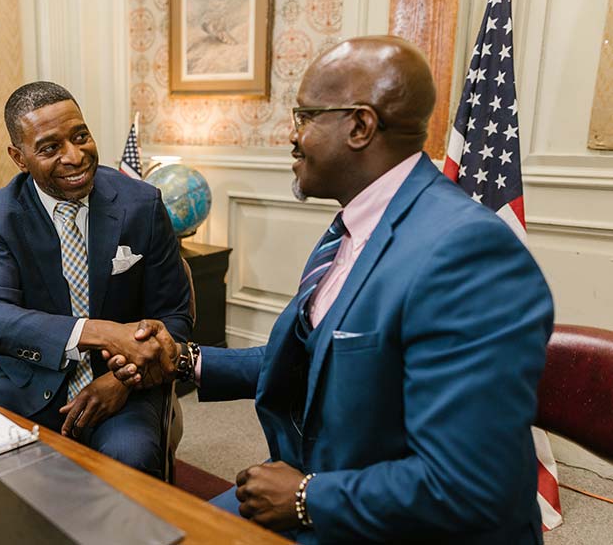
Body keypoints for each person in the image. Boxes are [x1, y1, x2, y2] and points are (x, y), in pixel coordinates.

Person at [108, 36, 554, 543]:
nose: (291, 135)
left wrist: (305, 497)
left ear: (359, 126)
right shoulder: (354, 226)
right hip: (328, 485)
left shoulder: (467, 254)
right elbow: (321, 359)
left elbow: (473, 485)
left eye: (303, 117)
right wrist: (185, 360)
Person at [0, 81, 191, 478]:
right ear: (19, 158)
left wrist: (122, 381)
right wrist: (99, 332)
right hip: (25, 378)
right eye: (50, 148)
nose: (74, 156)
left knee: (130, 461)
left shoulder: (142, 204)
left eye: (80, 136)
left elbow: (174, 316)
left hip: (125, 381)